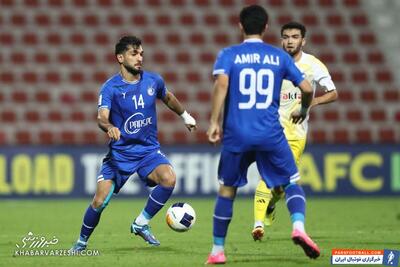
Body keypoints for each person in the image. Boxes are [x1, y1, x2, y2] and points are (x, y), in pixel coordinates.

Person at [205, 5, 320, 264]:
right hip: (271, 133)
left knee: (227, 190)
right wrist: (303, 108)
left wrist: (214, 122)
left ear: (240, 26)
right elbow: (306, 88)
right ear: (266, 27)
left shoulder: (229, 54)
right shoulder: (279, 57)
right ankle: (298, 227)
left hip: (237, 134)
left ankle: (217, 251)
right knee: (291, 183)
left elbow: (221, 84)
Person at [70, 35, 196, 251]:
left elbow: (168, 97)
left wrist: (185, 115)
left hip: (148, 151)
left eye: (141, 54)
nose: (139, 58)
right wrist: (108, 126)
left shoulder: (153, 80)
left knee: (169, 178)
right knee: (100, 202)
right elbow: (101, 116)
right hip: (120, 156)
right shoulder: (110, 88)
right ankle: (81, 243)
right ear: (120, 57)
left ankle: (140, 223)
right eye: (134, 53)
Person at [252, 21, 338, 241]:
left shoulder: (313, 64)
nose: (290, 40)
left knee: (280, 186)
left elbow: (333, 93)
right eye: (286, 36)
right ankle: (258, 224)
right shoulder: (272, 63)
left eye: (295, 37)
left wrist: (312, 102)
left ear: (303, 40)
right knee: (267, 176)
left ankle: (271, 205)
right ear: (281, 39)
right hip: (270, 130)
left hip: (295, 134)